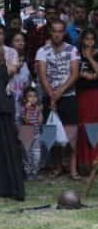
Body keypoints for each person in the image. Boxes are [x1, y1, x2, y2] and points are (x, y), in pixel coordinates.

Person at [36, 19, 81, 179]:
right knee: (52, 132)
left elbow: (74, 74)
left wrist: (60, 91)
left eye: (60, 31)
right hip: (50, 95)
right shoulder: (42, 51)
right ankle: (57, 166)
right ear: (50, 32)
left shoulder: (73, 50)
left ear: (64, 33)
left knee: (72, 134)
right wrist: (52, 95)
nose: (57, 34)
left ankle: (73, 168)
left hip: (68, 96)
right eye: (54, 31)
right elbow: (42, 75)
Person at [76, 28, 98, 171]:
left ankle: (94, 160)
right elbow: (73, 72)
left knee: (94, 126)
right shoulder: (76, 54)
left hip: (94, 94)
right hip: (81, 93)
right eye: (87, 38)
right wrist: (83, 74)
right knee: (82, 126)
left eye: (92, 39)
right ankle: (83, 162)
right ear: (82, 40)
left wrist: (90, 57)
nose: (89, 41)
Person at [7, 31, 32, 123]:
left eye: (22, 40)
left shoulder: (28, 63)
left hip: (23, 107)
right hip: (10, 105)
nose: (20, 43)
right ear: (11, 44)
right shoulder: (5, 62)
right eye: (17, 40)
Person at [21, 87, 43, 180]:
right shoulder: (23, 109)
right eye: (30, 96)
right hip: (26, 134)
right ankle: (28, 172)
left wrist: (40, 111)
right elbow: (26, 121)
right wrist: (27, 110)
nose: (32, 98)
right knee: (27, 154)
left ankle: (35, 172)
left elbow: (40, 122)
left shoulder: (38, 108)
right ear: (25, 99)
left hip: (36, 134)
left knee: (37, 154)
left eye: (34, 96)